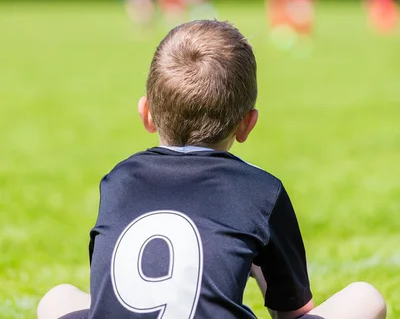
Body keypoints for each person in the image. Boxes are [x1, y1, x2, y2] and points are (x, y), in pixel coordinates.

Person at [37, 20, 386, 319]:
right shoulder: (260, 191)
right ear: (247, 125)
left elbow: (106, 298)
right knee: (365, 296)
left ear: (146, 113)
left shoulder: (117, 180)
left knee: (57, 298)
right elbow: (291, 311)